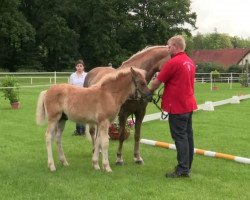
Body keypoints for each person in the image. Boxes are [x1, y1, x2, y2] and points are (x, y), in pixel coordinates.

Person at [149, 35, 197, 178]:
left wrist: (148, 91)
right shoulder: (190, 62)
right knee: (188, 136)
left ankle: (182, 169)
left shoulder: (173, 62)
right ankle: (187, 166)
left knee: (180, 137)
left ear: (175, 47)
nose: (167, 48)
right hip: (188, 104)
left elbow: (157, 82)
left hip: (176, 106)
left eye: (169, 46)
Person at [69, 59, 88, 136]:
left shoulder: (86, 75)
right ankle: (78, 130)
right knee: (77, 113)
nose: (79, 67)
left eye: (81, 66)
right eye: (78, 66)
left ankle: (83, 130)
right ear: (75, 67)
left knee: (84, 113)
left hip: (85, 96)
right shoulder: (72, 76)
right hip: (75, 96)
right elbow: (70, 86)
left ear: (83, 67)